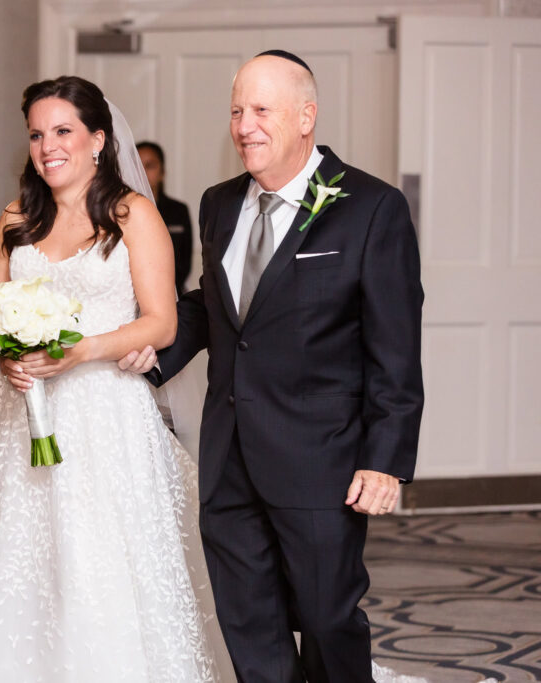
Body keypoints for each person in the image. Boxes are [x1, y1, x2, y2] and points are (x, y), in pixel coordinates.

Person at [129, 51, 424, 682]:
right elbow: (214, 311)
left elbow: (395, 344)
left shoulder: (372, 208)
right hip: (229, 453)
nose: (244, 125)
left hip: (322, 457)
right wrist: (140, 354)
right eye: (237, 110)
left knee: (326, 617)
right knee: (248, 621)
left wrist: (387, 457)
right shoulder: (219, 204)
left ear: (306, 116)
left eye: (262, 110)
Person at [0, 76, 227, 682]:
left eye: (63, 131)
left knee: (97, 562)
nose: (48, 146)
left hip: (104, 413)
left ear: (98, 139)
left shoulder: (134, 214)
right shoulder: (16, 215)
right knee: (26, 561)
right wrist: (5, 351)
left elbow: (160, 323)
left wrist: (82, 352)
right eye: (36, 134)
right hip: (21, 412)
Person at [137, 141, 193, 293]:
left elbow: (184, 263)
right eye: (137, 165)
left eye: (149, 166)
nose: (143, 172)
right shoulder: (119, 212)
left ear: (162, 172)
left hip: (173, 295)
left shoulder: (179, 210)